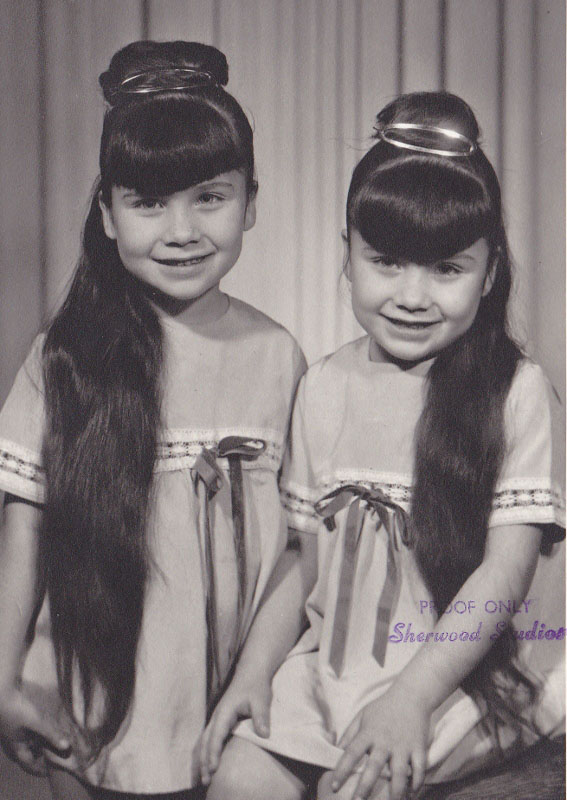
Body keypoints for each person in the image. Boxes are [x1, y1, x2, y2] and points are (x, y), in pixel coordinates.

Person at [203, 92, 565, 800]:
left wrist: (410, 700)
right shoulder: (323, 385)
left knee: (358, 789)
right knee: (237, 781)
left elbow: (503, 576)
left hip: (455, 674)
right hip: (333, 669)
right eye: (386, 261)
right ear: (347, 254)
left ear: (490, 272)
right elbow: (302, 561)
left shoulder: (515, 392)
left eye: (447, 269)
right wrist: (253, 674)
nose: (412, 295)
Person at [0, 40, 307, 799]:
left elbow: (303, 546)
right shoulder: (65, 356)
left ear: (251, 202)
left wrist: (260, 673)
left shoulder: (277, 356)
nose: (181, 230)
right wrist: (1, 676)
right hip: (87, 700)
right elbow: (24, 532)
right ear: (107, 214)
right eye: (147, 203)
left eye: (210, 197)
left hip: (232, 698)